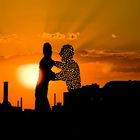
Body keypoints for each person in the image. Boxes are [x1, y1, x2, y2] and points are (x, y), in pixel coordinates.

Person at [35, 42, 55, 112]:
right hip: (40, 94)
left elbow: (55, 64)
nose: (51, 52)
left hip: (41, 93)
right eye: (50, 50)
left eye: (51, 50)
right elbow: (52, 76)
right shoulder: (44, 62)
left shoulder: (47, 60)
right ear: (45, 52)